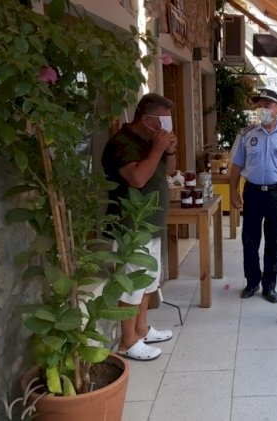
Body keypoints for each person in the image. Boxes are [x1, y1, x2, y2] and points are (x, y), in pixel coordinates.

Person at [102, 93, 177, 361]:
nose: (166, 126)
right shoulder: (121, 144)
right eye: (162, 120)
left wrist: (168, 150)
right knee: (131, 284)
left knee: (147, 282)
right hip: (131, 226)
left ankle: (142, 329)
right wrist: (157, 148)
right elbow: (137, 179)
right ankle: (127, 341)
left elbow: (168, 171)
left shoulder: (149, 141)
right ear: (146, 119)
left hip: (151, 223)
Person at [230, 88, 277, 304]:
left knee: (274, 242)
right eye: (260, 105)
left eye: (268, 105)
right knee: (250, 240)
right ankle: (252, 282)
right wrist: (233, 192)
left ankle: (269, 286)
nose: (263, 109)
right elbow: (236, 166)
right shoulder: (246, 134)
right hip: (253, 192)